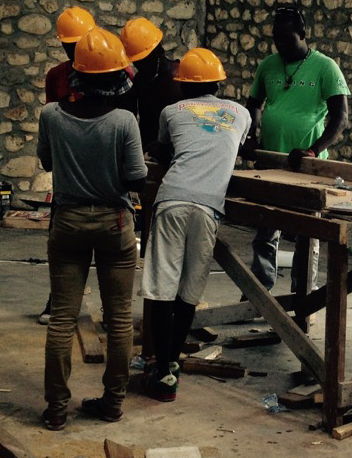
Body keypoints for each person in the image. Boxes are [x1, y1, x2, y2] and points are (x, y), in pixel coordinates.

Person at [37, 27, 146, 430]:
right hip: (114, 222)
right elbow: (136, 178)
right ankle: (113, 403)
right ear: (118, 77)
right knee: (118, 319)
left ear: (77, 75)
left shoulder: (51, 116)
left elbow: (48, 164)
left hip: (67, 222)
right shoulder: (124, 121)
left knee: (63, 318)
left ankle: (56, 409)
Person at [140, 48, 250, 402]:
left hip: (171, 199)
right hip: (208, 207)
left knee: (161, 287)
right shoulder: (241, 114)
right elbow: (227, 145)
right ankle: (173, 364)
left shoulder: (171, 112)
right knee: (189, 291)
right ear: (219, 84)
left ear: (182, 86)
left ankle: (161, 370)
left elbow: (165, 148)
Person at [240, 4, 349, 294]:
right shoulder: (268, 65)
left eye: (287, 38)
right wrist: (251, 134)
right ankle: (258, 292)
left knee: (306, 235)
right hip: (270, 163)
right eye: (276, 39)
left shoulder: (326, 67)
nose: (281, 45)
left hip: (307, 168)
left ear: (303, 34)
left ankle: (303, 295)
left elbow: (340, 117)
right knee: (265, 229)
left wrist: (313, 150)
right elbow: (254, 105)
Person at [38, 6, 97, 326]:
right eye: (68, 45)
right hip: (69, 167)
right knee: (61, 236)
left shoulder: (110, 70)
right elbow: (51, 125)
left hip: (101, 163)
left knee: (103, 235)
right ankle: (58, 298)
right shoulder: (56, 77)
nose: (73, 50)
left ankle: (110, 303)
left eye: (78, 43)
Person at [120, 17, 183, 149]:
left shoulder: (181, 76)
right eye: (136, 61)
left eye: (143, 60)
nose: (139, 65)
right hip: (148, 149)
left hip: (177, 147)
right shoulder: (140, 80)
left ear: (156, 52)